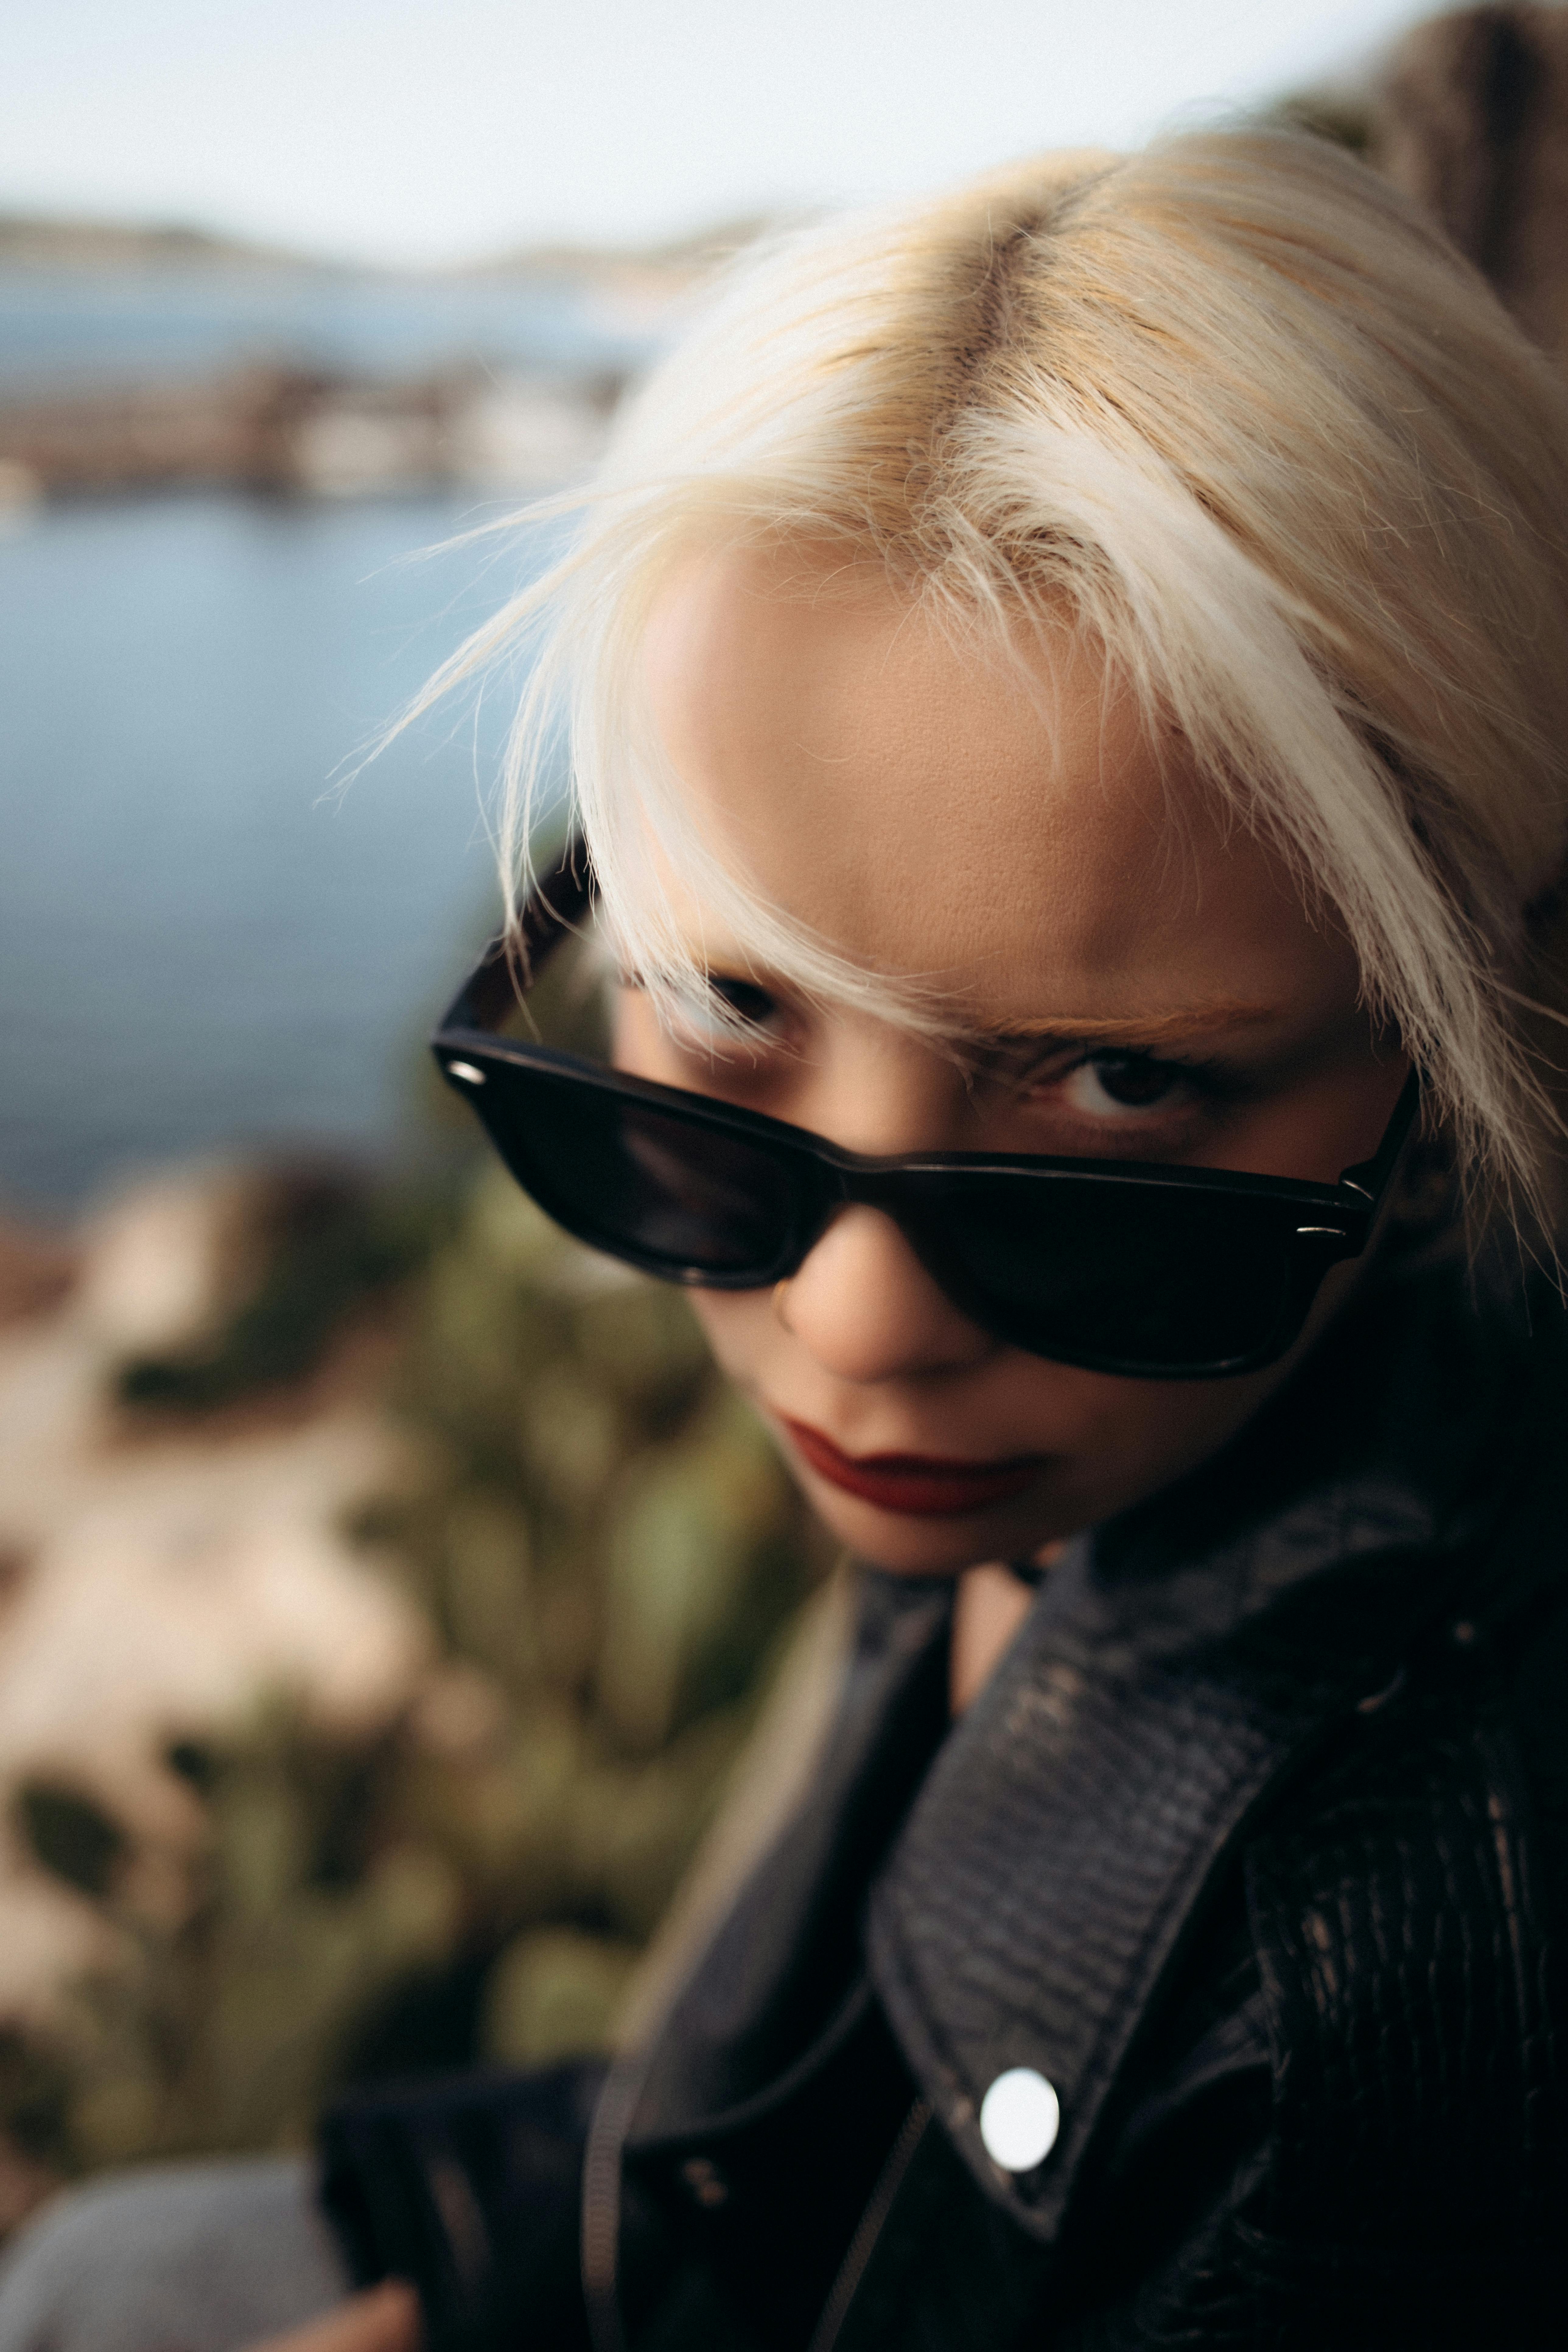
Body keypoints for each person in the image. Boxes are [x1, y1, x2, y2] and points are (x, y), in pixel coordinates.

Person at [5, 120, 1568, 2352]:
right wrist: (464, 2275)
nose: (853, 1325)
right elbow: (819, 2116)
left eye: (1120, 1089)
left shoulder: (1404, 2035)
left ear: (1476, 1018)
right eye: (730, 1005)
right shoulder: (1122, 1417)